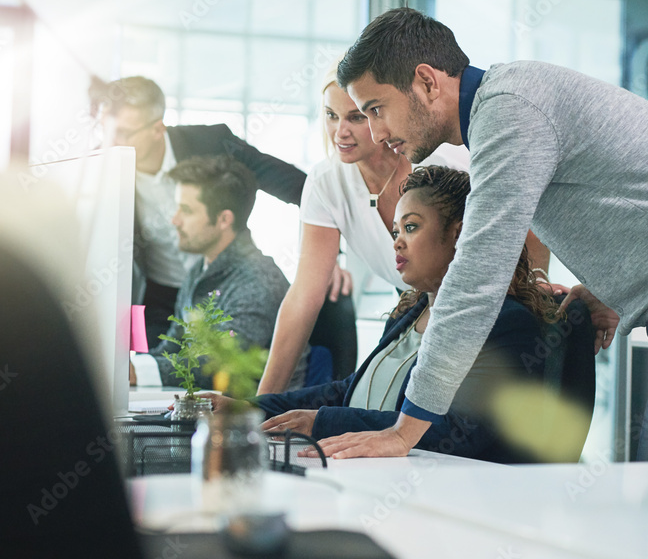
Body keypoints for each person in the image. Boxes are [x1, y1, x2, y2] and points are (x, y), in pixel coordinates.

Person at [318, 7, 648, 461]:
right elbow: (645, 197)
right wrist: (611, 288)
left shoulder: (510, 111)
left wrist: (405, 430)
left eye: (376, 110)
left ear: (427, 82)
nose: (376, 133)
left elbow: (477, 278)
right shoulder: (508, 107)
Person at [255, 166, 593, 464]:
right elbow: (351, 391)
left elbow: (458, 434)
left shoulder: (506, 322)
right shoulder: (406, 314)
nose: (397, 243)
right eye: (395, 232)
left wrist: (322, 422)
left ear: (459, 235)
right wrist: (250, 409)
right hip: (363, 471)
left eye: (411, 228)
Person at [95, 75, 348, 347]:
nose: (110, 142)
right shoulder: (100, 172)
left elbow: (303, 189)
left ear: (157, 129)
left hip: (228, 288)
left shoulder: (213, 143)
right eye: (105, 130)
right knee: (146, 372)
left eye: (123, 132)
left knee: (222, 372)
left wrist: (324, 256)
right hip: (159, 298)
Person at [130, 156, 307, 390]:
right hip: (209, 405)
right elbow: (174, 348)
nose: (175, 220)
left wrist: (139, 371)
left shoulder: (257, 282)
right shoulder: (200, 270)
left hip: (249, 417)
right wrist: (133, 366)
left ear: (224, 219)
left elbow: (219, 366)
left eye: (187, 210)